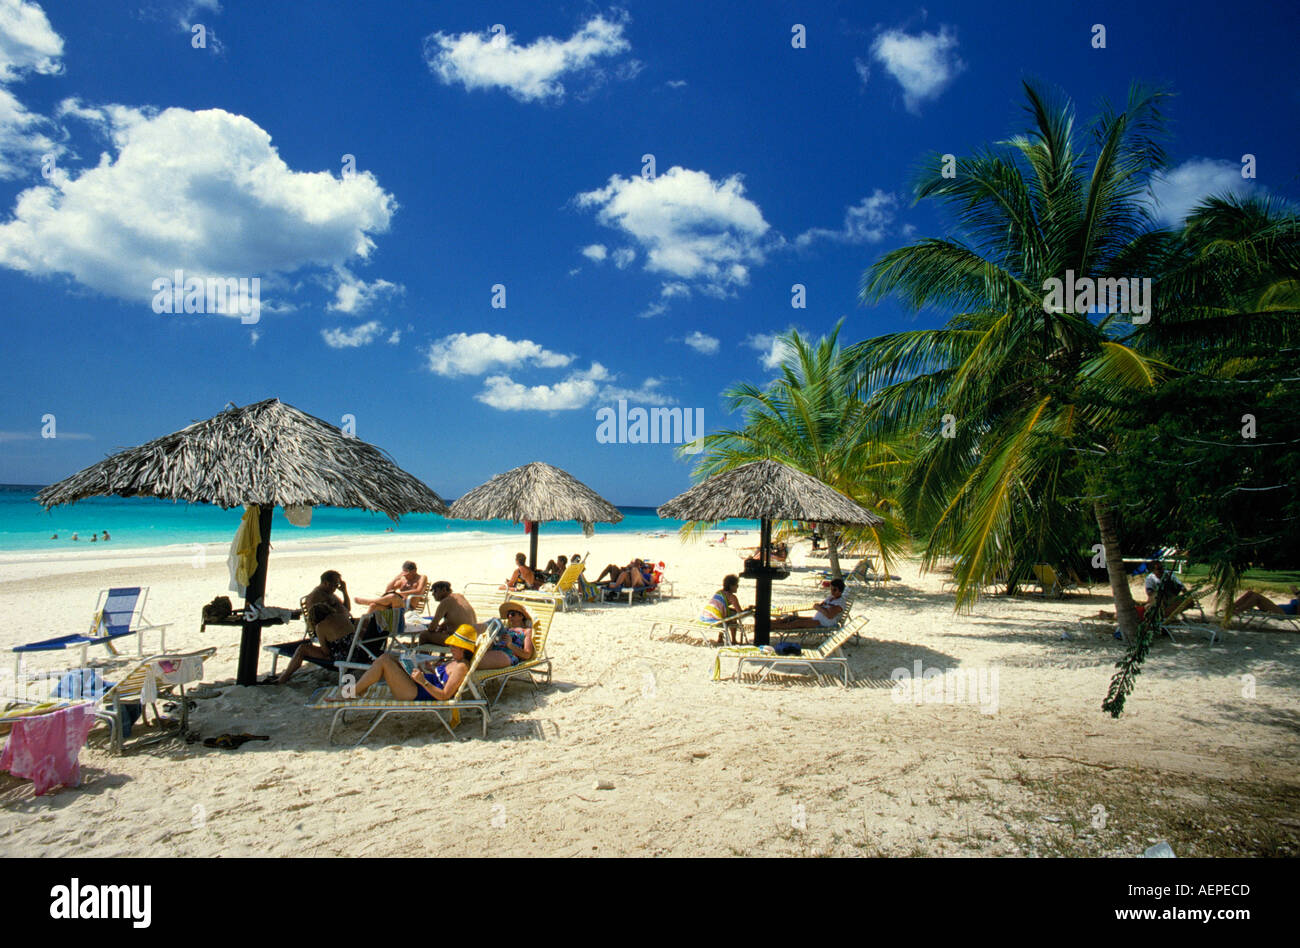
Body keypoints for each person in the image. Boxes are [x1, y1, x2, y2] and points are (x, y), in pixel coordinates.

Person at [326, 625, 478, 702]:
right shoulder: (456, 660)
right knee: (391, 657)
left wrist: (423, 681)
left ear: (464, 648)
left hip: (417, 693)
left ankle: (350, 693)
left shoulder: (461, 667)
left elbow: (444, 696)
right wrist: (430, 671)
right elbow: (441, 679)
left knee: (385, 661)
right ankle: (357, 690)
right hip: (418, 686)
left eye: (454, 646)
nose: (450, 648)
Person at [275, 570, 355, 684]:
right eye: (336, 585)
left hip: (339, 634)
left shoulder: (331, 594)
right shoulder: (316, 597)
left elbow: (347, 608)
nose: (337, 587)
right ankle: (283, 678)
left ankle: (283, 678)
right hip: (331, 632)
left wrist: (345, 592)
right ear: (326, 583)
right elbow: (316, 619)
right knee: (302, 649)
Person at [771, 579, 848, 631]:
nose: (832, 591)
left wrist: (818, 607)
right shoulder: (831, 598)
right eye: (831, 589)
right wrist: (819, 607)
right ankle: (770, 623)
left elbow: (829, 615)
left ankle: (771, 627)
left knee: (797, 623)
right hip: (817, 619)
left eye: (834, 590)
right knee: (792, 618)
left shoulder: (840, 603)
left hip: (823, 623)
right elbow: (820, 606)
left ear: (840, 591)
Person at [419, 581, 478, 646]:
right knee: (443, 630)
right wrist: (441, 627)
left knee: (424, 635)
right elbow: (455, 618)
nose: (433, 594)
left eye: (435, 591)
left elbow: (432, 627)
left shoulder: (446, 602)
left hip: (459, 640)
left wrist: (432, 628)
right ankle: (437, 655)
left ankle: (422, 656)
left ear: (444, 590)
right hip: (472, 638)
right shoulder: (460, 596)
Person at [354, 561, 427, 613]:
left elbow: (419, 591)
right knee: (373, 606)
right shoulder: (403, 579)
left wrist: (399, 594)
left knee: (393, 596)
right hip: (395, 605)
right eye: (404, 572)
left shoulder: (421, 577)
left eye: (407, 573)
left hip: (408, 606)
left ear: (414, 571)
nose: (405, 575)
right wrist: (396, 578)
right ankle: (364, 628)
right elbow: (387, 590)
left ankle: (367, 601)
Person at [481, 602, 537, 669]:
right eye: (508, 615)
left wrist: (510, 645)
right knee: (492, 623)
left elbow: (527, 655)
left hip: (507, 656)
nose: (510, 616)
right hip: (494, 650)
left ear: (521, 616)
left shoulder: (526, 631)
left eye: (513, 614)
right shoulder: (506, 629)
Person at [701, 574, 749, 645]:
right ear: (731, 586)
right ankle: (734, 640)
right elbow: (740, 613)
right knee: (733, 617)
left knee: (728, 613)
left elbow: (720, 606)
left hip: (706, 617)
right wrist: (749, 610)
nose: (737, 587)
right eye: (737, 585)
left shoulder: (719, 592)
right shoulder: (732, 597)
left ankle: (720, 638)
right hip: (716, 621)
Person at [1233, 585, 1300, 616]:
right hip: (1277, 608)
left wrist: (1297, 594)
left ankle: (1237, 611)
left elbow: (1298, 614)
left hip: (1282, 613)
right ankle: (1231, 608)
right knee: (1250, 593)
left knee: (1256, 597)